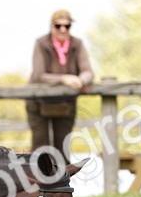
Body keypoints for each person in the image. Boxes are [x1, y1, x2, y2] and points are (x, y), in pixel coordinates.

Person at [26, 9, 93, 157]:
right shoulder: (41, 43)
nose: (63, 29)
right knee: (41, 147)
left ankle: (62, 173)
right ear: (51, 26)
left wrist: (81, 80)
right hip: (38, 102)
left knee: (63, 147)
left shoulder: (77, 44)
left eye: (67, 26)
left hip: (65, 102)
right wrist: (64, 78)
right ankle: (38, 173)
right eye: (58, 26)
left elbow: (88, 71)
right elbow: (39, 75)